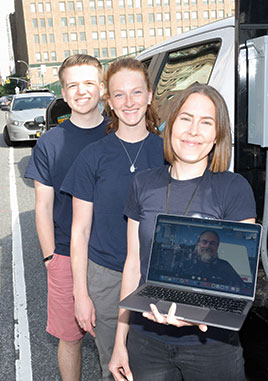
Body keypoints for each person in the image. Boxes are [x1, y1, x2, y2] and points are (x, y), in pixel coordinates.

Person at [109, 83, 256, 381]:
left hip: (211, 345)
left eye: (206, 123)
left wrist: (195, 317)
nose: (193, 131)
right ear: (171, 124)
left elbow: (241, 282)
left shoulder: (234, 188)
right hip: (146, 340)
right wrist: (119, 342)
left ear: (217, 136)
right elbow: (133, 264)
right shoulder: (143, 184)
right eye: (186, 118)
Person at [60, 58, 165, 380]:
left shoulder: (170, 152)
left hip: (157, 278)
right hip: (105, 277)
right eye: (119, 95)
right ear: (109, 101)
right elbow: (79, 230)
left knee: (157, 369)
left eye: (136, 93)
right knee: (117, 368)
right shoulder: (93, 156)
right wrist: (81, 295)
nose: (129, 102)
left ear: (149, 96)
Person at [24, 54, 108, 381]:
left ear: (101, 87)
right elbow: (43, 206)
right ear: (63, 91)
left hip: (113, 257)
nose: (81, 91)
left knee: (116, 339)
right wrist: (50, 258)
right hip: (64, 254)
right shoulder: (50, 142)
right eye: (73, 85)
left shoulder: (118, 134)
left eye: (88, 83)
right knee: (69, 338)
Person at [179, 230, 245, 288]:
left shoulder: (225, 266)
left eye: (212, 243)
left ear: (217, 247)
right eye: (204, 242)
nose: (208, 246)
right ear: (198, 244)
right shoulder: (183, 264)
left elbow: (241, 288)